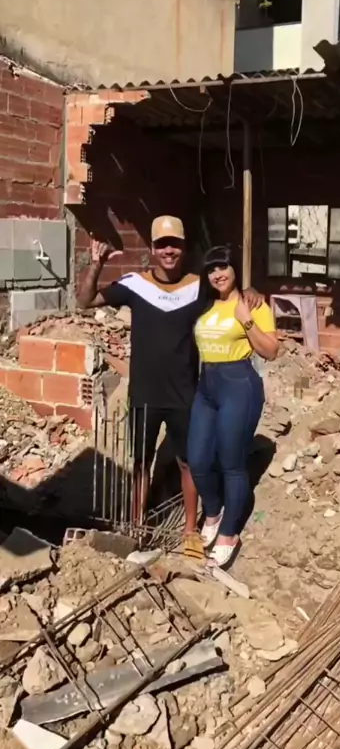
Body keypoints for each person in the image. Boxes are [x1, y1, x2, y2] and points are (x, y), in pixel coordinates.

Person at [78, 217, 262, 560]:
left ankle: (190, 529)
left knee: (188, 463)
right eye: (162, 244)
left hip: (184, 393)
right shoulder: (135, 285)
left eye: (174, 244)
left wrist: (251, 291)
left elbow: (230, 292)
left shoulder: (198, 287)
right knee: (140, 462)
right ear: (152, 248)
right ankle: (137, 524)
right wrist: (96, 264)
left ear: (184, 247)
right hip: (144, 394)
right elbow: (84, 301)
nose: (168, 250)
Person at [187, 245, 279, 569]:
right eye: (212, 269)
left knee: (231, 462)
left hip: (239, 386)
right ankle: (213, 511)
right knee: (198, 460)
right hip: (207, 386)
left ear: (235, 268)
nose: (218, 274)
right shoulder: (204, 304)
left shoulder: (253, 305)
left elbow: (271, 351)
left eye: (223, 266)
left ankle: (229, 534)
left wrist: (247, 321)